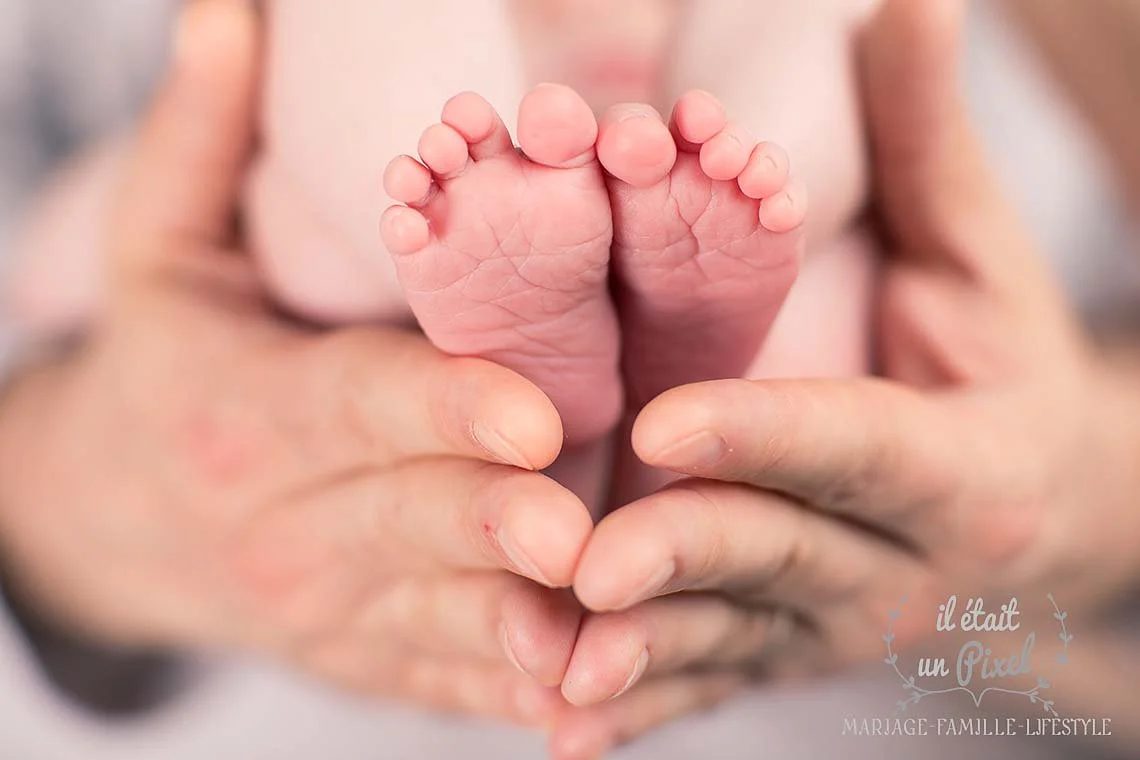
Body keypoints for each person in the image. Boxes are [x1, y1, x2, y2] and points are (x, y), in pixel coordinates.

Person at [0, 2, 1137, 760]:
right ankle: (674, 254)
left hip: (511, 281)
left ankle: (566, 248)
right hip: (752, 331)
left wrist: (1096, 481)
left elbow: (57, 269)